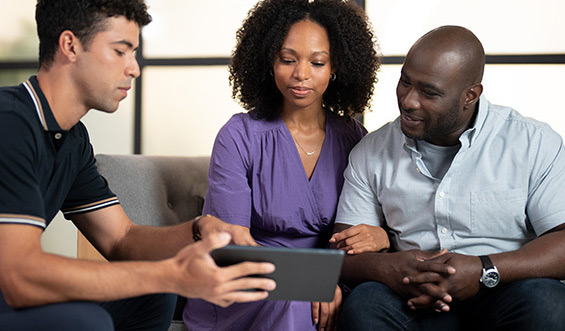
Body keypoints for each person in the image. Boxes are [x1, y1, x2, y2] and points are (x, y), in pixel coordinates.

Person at [0, 1, 278, 330]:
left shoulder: (71, 138)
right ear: (70, 46)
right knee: (88, 321)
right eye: (121, 51)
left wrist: (200, 229)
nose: (134, 68)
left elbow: (122, 239)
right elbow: (19, 277)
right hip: (11, 287)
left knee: (154, 293)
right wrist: (173, 275)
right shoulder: (11, 122)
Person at [331, 25, 565, 330]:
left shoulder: (532, 142)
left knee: (547, 302)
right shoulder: (372, 150)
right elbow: (342, 253)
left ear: (470, 95)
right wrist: (390, 267)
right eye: (404, 82)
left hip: (504, 287)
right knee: (366, 302)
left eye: (429, 92)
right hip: (414, 297)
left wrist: (483, 270)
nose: (409, 101)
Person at [182, 0, 381, 330]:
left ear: (336, 67)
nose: (301, 74)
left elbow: (367, 228)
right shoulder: (239, 136)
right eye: (287, 60)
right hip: (248, 283)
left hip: (333, 280)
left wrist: (379, 236)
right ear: (268, 61)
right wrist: (309, 281)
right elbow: (231, 246)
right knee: (294, 301)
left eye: (317, 63)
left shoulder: (354, 138)